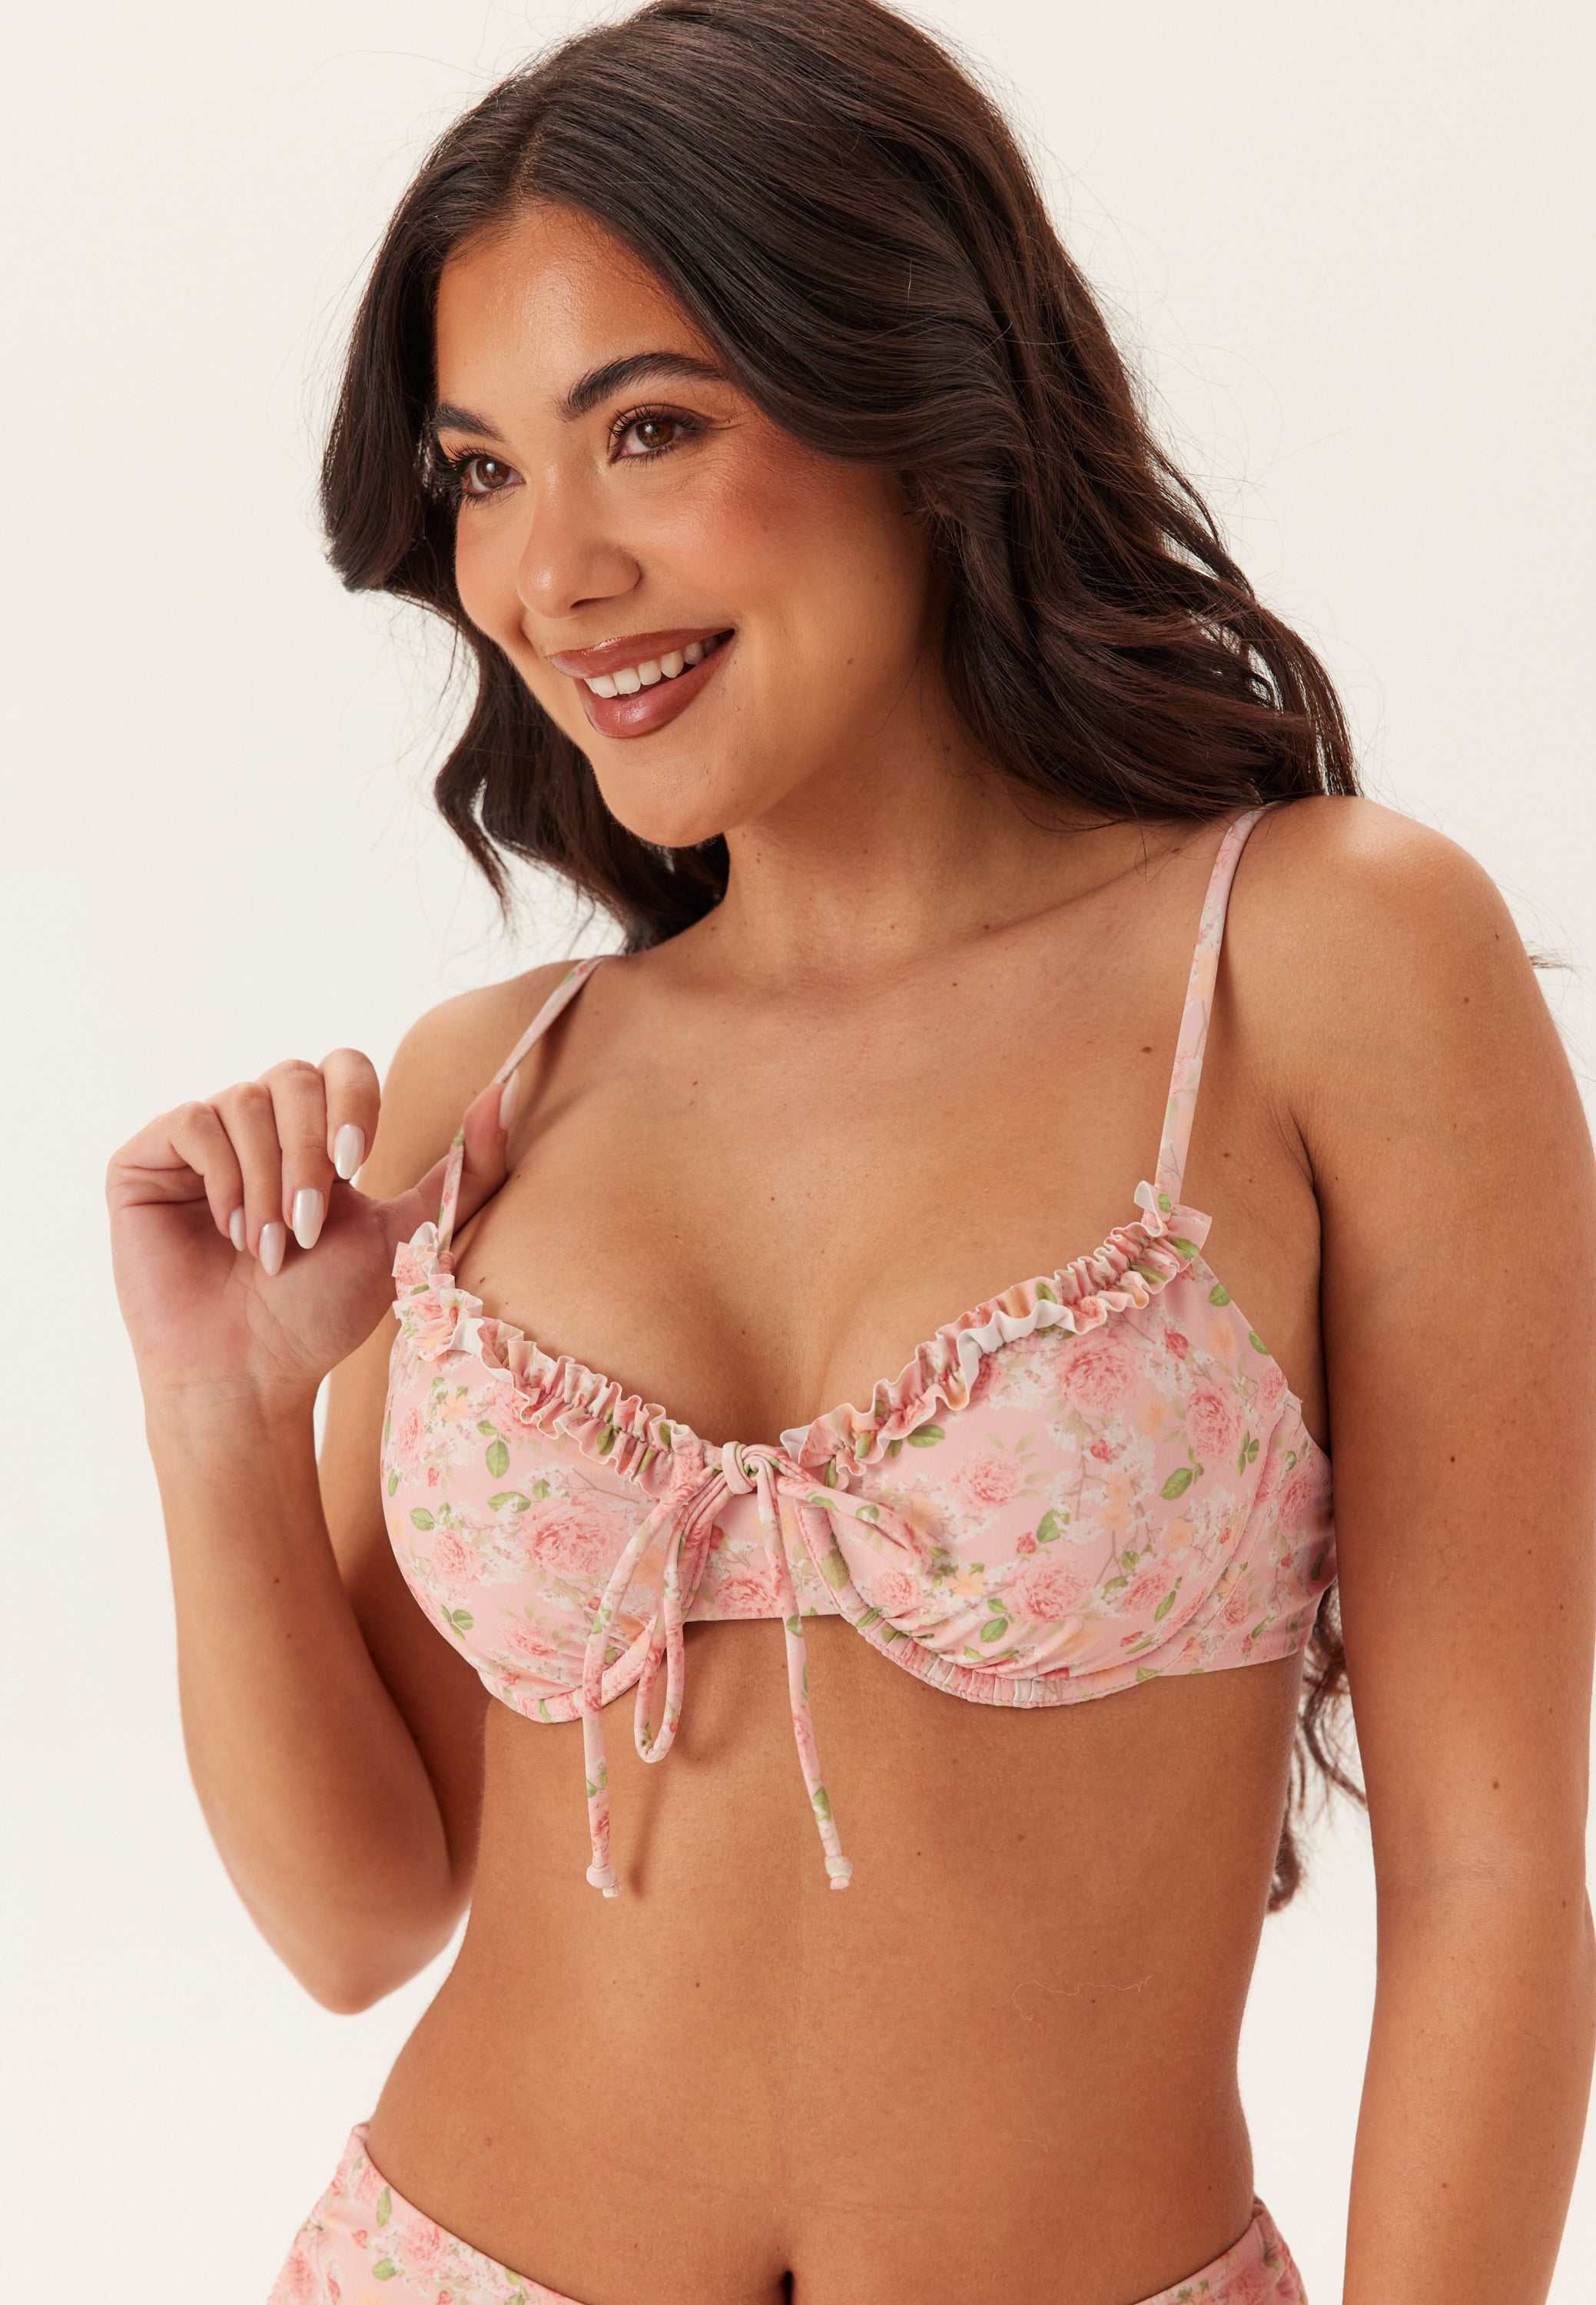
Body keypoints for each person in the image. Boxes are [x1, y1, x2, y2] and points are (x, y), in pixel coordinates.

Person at [107, 3, 1595, 2299]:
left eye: (651, 429)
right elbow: (360, 1916)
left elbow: (1494, 1888)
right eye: (483, 471)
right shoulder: (491, 1087)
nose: (549, 574)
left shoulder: (1322, 959)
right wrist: (215, 1418)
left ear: (922, 398)